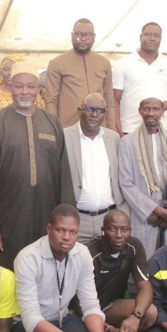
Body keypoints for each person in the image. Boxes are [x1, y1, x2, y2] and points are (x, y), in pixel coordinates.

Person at [12, 204, 120, 332]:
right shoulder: (27, 258)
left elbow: (90, 305)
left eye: (73, 232)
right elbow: (32, 320)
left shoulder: (82, 254)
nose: (67, 237)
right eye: (61, 230)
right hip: (25, 325)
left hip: (61, 318)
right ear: (49, 229)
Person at [0, 61, 75, 269]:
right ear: (10, 87)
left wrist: (66, 223)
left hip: (47, 219)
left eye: (31, 86)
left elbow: (64, 175)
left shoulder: (52, 123)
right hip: (8, 219)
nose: (25, 92)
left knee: (46, 271)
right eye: (19, 86)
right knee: (9, 275)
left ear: (38, 89)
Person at [118, 96, 167, 257]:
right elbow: (126, 183)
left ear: (162, 111)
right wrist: (157, 210)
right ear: (140, 111)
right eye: (146, 109)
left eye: (155, 109)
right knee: (143, 262)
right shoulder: (127, 143)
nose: (151, 113)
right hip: (144, 215)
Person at [84, 209, 156, 332]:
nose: (118, 235)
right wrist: (108, 328)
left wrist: (135, 316)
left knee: (149, 312)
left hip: (110, 307)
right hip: (85, 312)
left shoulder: (134, 246)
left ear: (129, 230)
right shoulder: (88, 252)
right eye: (112, 229)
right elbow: (77, 303)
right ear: (103, 231)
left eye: (124, 230)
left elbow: (145, 287)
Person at [63, 93, 123, 242]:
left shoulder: (114, 138)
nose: (95, 114)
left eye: (100, 111)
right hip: (76, 220)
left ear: (105, 114)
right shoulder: (63, 137)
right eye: (89, 109)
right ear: (79, 111)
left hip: (109, 220)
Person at [113, 22, 167, 135]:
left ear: (160, 39)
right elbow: (114, 101)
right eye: (148, 34)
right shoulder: (122, 64)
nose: (152, 38)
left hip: (162, 130)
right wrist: (119, 133)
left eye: (156, 35)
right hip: (130, 131)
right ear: (140, 37)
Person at [45, 18, 116, 129]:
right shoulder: (57, 63)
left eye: (87, 35)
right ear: (72, 36)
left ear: (93, 37)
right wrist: (54, 131)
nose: (82, 38)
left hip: (99, 129)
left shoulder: (104, 63)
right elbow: (51, 101)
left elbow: (109, 102)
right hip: (69, 129)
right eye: (78, 34)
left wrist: (112, 130)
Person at [0, 54, 44, 139]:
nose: (9, 73)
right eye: (6, 69)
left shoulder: (32, 96)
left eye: (13, 69)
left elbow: (42, 121)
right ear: (0, 71)